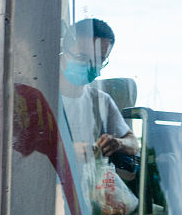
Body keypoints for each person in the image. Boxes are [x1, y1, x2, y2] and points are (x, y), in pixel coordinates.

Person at [59, 18, 139, 177]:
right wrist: (66, 150)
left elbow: (133, 144)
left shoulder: (100, 101)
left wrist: (117, 143)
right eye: (82, 56)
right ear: (63, 52)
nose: (91, 65)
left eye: (99, 60)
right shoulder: (42, 97)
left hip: (89, 186)